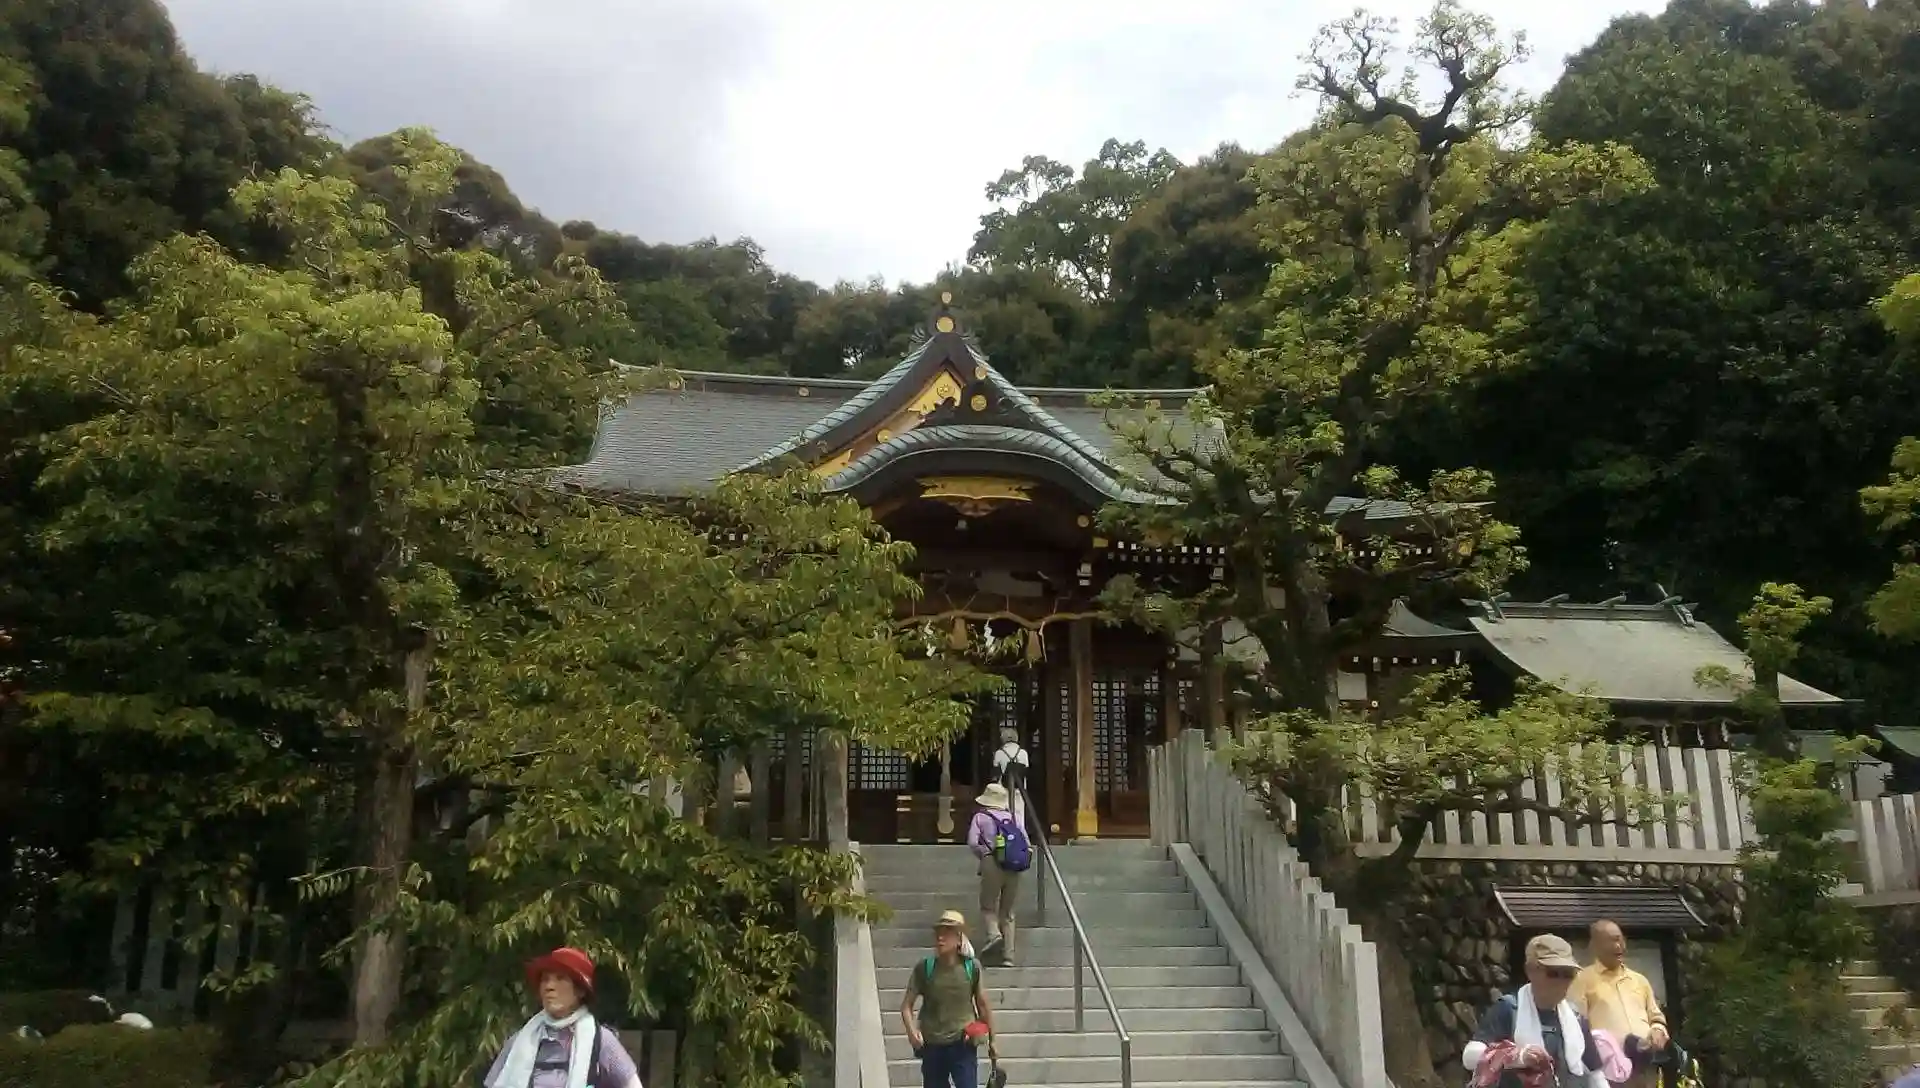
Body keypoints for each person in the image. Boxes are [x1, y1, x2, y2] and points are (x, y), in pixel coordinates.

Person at [484, 946, 643, 1088]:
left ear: (580, 990)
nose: (549, 986)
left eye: (560, 978)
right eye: (545, 979)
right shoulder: (520, 1041)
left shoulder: (601, 1041)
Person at [1464, 934, 1605, 1088]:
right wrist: (1515, 1056)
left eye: (1568, 974)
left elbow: (1596, 1073)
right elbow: (1469, 1057)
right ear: (1530, 970)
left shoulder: (1576, 1018)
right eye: (1553, 973)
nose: (1561, 981)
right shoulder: (1509, 1009)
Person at [1570, 920, 1681, 1086]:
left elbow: (1656, 1017)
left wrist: (1658, 1030)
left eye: (1620, 939)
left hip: (1646, 1066)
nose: (1618, 946)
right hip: (1610, 1072)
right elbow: (1576, 1025)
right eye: (1611, 941)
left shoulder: (1639, 980)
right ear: (1595, 946)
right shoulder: (1582, 980)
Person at [900, 910, 999, 1088]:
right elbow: (906, 1006)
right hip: (932, 1046)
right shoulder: (925, 968)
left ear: (959, 938)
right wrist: (911, 1031)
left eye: (947, 933)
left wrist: (992, 1041)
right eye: (938, 933)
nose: (940, 938)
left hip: (963, 1044)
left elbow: (983, 1005)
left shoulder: (971, 967)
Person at [966, 782, 1030, 964]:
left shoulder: (980, 817)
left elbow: (972, 842)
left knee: (988, 905)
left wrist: (984, 854)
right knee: (1008, 911)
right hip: (1014, 865)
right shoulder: (1014, 817)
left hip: (991, 862)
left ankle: (994, 934)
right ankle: (1008, 955)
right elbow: (1026, 841)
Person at [990, 726, 1030, 826]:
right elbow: (1026, 771)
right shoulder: (1023, 753)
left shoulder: (999, 753)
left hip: (1004, 789)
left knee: (1005, 817)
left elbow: (995, 773)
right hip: (1020, 789)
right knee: (1020, 817)